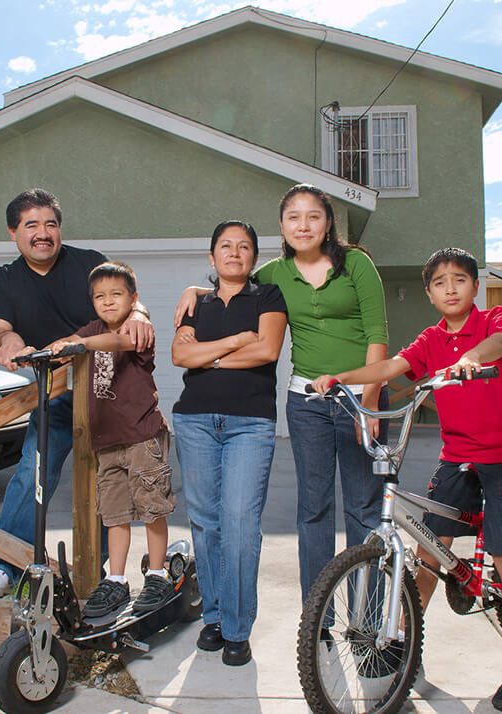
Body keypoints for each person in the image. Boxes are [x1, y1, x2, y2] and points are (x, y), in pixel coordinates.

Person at [311, 247, 502, 712]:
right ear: (430, 293)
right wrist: (342, 377)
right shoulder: (431, 339)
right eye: (440, 282)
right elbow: (392, 366)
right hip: (458, 454)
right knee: (427, 549)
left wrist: (470, 360)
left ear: (474, 286)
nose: (450, 288)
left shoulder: (495, 319)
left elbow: (497, 345)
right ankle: (402, 639)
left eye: (460, 279)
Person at [178, 184, 390, 606]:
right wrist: (197, 291)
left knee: (363, 509)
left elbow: (377, 335)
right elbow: (234, 285)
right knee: (313, 510)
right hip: (306, 400)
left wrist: (369, 401)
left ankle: (367, 618)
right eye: (294, 217)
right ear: (282, 225)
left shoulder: (357, 265)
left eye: (313, 216)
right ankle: (319, 616)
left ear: (328, 223)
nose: (304, 225)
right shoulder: (274, 274)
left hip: (360, 397)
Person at [0, 188, 153, 598]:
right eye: (31, 225)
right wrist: (8, 340)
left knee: (109, 483)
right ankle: (2, 564)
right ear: (13, 232)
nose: (42, 233)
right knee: (31, 475)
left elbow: (127, 299)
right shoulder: (3, 281)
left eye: (50, 224)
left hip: (107, 396)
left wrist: (139, 315)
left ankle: (101, 574)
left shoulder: (89, 263)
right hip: (54, 397)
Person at [171, 220, 288, 666]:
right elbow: (181, 355)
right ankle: (214, 618)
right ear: (211, 256)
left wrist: (210, 355)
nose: (234, 253)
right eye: (225, 246)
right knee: (204, 520)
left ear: (255, 257)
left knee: (239, 522)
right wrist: (237, 341)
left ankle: (238, 627)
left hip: (250, 423)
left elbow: (267, 351)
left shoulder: (268, 297)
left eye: (244, 247)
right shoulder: (194, 304)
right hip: (195, 421)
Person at [47, 262, 175, 619]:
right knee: (115, 514)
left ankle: (157, 574)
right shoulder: (92, 328)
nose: (107, 302)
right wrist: (44, 351)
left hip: (141, 435)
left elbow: (117, 343)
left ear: (133, 298)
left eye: (116, 295)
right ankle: (117, 580)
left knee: (151, 507)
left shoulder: (138, 329)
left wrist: (80, 344)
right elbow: (71, 342)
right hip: (107, 444)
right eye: (99, 297)